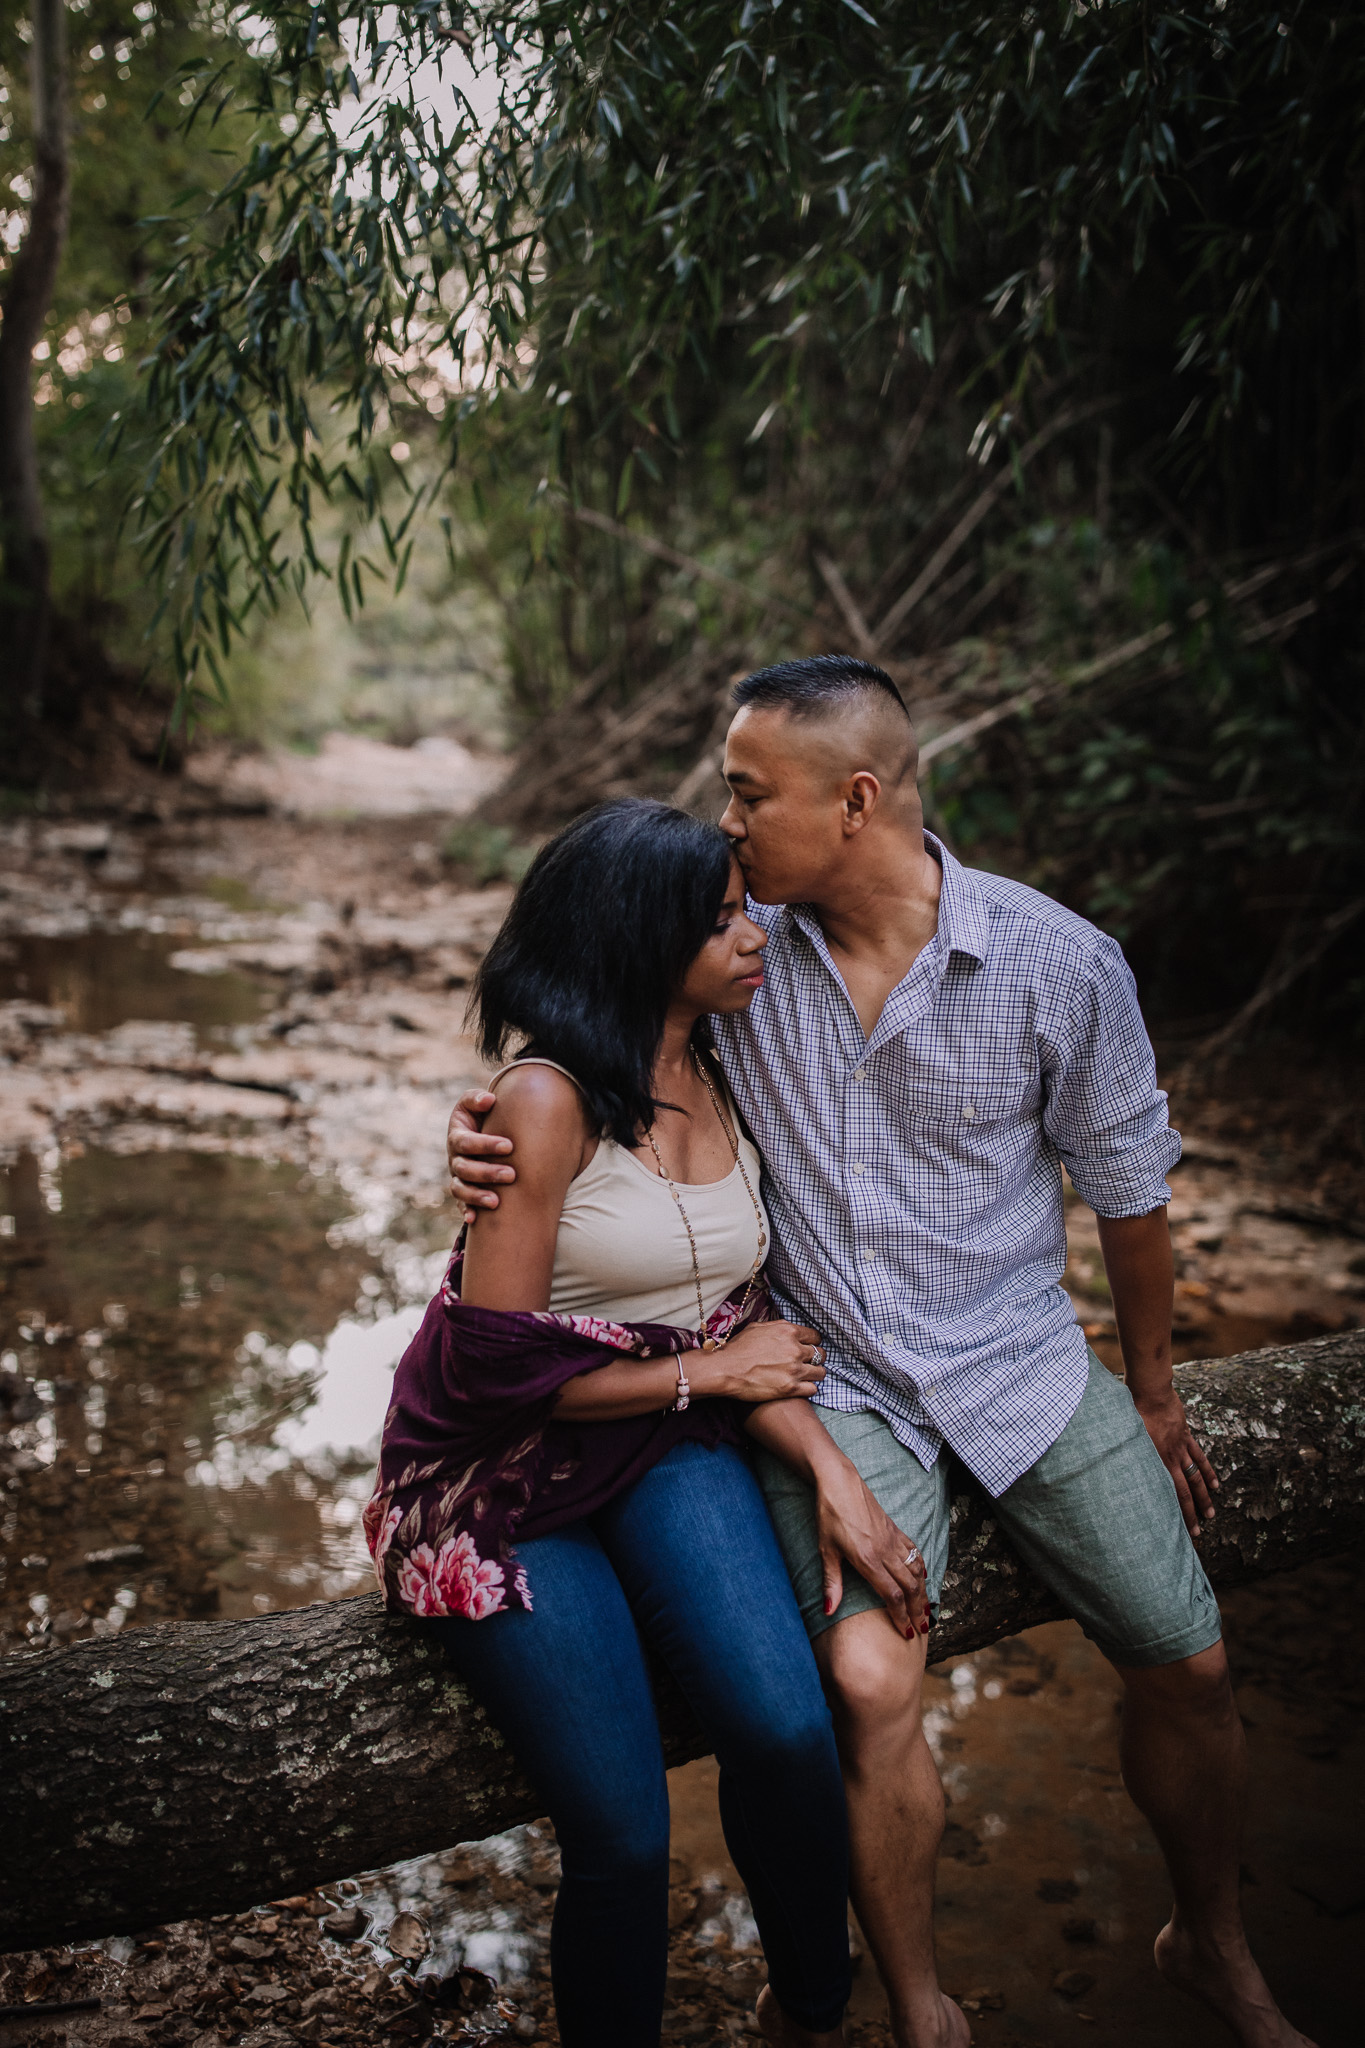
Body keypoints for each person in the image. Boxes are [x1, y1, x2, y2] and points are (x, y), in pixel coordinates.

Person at [449, 656, 1316, 2048]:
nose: (724, 828)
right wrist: (495, 1124)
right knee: (860, 1685)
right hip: (826, 1377)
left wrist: (1154, 1392)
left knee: (1192, 1662)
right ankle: (917, 2007)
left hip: (1019, 1358)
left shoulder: (1057, 963)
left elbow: (1132, 1193)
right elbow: (611, 1047)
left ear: (853, 801)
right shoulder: (740, 962)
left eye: (748, 796)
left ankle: (1210, 1944)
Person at [368, 796, 931, 2048]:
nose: (755, 941)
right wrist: (713, 1377)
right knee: (622, 1834)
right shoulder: (544, 1100)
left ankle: (812, 2007)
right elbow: (490, 1380)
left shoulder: (725, 1067)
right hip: (498, 1480)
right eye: (723, 922)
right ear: (638, 935)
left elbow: (733, 1322)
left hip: (660, 1442)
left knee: (785, 1726)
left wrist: (826, 1462)